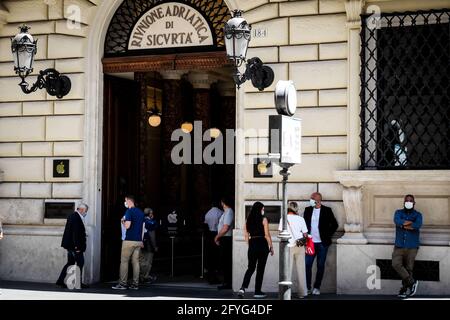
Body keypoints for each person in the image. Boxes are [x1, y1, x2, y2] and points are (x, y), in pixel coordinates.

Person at [303, 192, 338, 296]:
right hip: (310, 243)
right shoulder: (308, 210)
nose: (310, 199)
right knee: (307, 265)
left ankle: (317, 287)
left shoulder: (327, 210)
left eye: (312, 198)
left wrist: (327, 235)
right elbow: (304, 224)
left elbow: (335, 224)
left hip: (322, 243)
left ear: (318, 200)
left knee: (320, 265)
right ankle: (308, 287)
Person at [238, 202, 274, 299]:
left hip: (252, 244)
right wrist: (271, 246)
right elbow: (267, 235)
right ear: (260, 209)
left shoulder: (248, 220)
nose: (263, 210)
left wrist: (250, 245)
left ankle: (242, 288)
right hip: (262, 244)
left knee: (250, 268)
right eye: (263, 209)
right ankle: (257, 292)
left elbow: (246, 236)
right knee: (260, 269)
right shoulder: (264, 219)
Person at [392, 194, 423, 298]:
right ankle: (412, 282)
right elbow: (397, 221)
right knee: (396, 264)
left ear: (414, 203)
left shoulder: (418, 214)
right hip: (399, 245)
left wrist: (404, 224)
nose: (408, 202)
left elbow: (417, 225)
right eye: (407, 201)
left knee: (409, 269)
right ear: (404, 202)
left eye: (410, 201)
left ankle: (404, 290)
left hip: (412, 246)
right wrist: (410, 224)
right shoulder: (398, 212)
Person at [112, 195, 145, 290]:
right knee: (136, 262)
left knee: (124, 262)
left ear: (129, 201)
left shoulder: (129, 211)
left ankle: (122, 283)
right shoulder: (140, 212)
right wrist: (141, 240)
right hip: (138, 241)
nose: (125, 202)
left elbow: (127, 226)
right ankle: (135, 284)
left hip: (129, 240)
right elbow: (143, 228)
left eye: (125, 200)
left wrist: (123, 221)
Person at [279, 201, 308, 299]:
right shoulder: (301, 219)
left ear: (288, 208)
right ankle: (302, 293)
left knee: (287, 271)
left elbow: (280, 233)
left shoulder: (283, 219)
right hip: (300, 246)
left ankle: (287, 293)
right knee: (301, 270)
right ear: (296, 209)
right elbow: (305, 235)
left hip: (288, 247)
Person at [56, 203, 89, 289]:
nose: (86, 213)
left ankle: (61, 281)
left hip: (71, 245)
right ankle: (77, 283)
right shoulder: (76, 217)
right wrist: (77, 247)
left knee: (70, 262)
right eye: (86, 211)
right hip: (75, 247)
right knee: (80, 263)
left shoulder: (73, 216)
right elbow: (75, 234)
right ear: (81, 210)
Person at [215, 196, 234, 290]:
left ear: (223, 202)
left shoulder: (229, 212)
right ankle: (226, 282)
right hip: (224, 239)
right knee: (224, 262)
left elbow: (226, 227)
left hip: (226, 239)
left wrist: (217, 237)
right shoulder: (226, 212)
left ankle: (228, 283)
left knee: (226, 262)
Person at [204, 202, 223, 284]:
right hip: (218, 235)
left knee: (210, 256)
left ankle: (210, 276)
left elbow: (205, 224)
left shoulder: (207, 213)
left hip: (209, 235)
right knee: (216, 256)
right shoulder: (220, 212)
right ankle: (215, 276)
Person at [139, 208, 158, 284]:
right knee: (148, 262)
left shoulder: (140, 220)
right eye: (151, 213)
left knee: (141, 261)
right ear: (149, 214)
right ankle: (145, 277)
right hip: (149, 245)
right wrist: (155, 246)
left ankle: (141, 277)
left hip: (140, 243)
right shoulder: (151, 223)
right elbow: (152, 236)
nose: (152, 214)